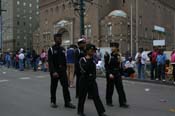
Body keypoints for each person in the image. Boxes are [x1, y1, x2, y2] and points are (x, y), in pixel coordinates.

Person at [78, 44, 107, 116]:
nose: (93, 52)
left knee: (96, 96)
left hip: (92, 80)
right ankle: (80, 111)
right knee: (82, 97)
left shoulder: (93, 60)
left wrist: (93, 76)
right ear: (87, 51)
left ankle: (101, 112)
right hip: (84, 80)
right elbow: (84, 69)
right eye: (91, 51)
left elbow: (94, 71)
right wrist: (89, 60)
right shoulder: (82, 59)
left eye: (93, 51)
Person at [48, 33, 76, 109]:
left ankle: (67, 102)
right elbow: (50, 62)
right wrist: (53, 71)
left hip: (62, 71)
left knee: (65, 86)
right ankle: (53, 101)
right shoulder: (51, 49)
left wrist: (64, 69)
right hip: (55, 71)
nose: (60, 39)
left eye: (60, 38)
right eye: (58, 38)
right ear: (54, 39)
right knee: (54, 87)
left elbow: (64, 61)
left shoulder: (63, 49)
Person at [105, 42, 129, 108]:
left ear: (117, 48)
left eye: (114, 47)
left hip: (117, 73)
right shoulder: (108, 55)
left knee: (120, 88)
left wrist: (122, 74)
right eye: (111, 47)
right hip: (110, 73)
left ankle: (122, 102)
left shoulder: (119, 55)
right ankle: (109, 101)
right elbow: (106, 66)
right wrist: (109, 73)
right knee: (110, 88)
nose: (112, 48)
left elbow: (120, 66)